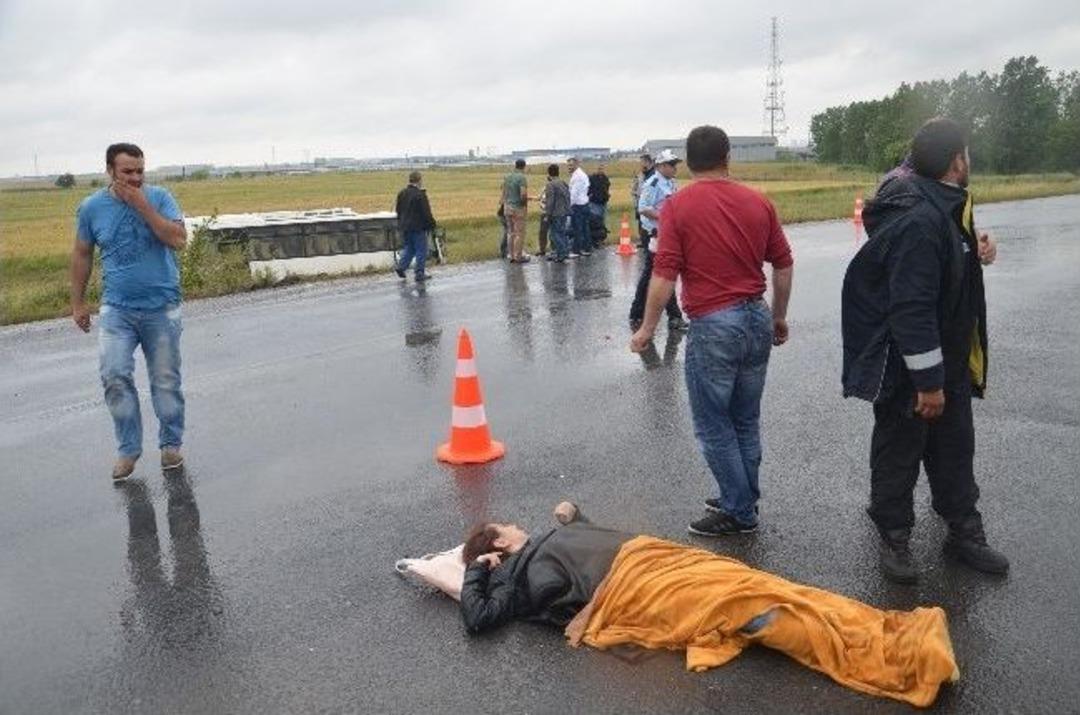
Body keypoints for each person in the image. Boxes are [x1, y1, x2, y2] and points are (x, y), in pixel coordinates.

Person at [458, 502, 958, 708]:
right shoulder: (514, 581)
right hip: (637, 590)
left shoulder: (550, 533)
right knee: (742, 607)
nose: (516, 525)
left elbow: (586, 539)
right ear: (498, 546)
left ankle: (877, 628)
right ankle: (891, 657)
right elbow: (478, 619)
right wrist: (479, 572)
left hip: (652, 557)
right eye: (506, 528)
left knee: (757, 581)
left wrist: (576, 514)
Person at [842, 117, 1007, 583]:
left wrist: (974, 247)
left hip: (946, 357)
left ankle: (964, 531)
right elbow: (911, 308)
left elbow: (944, 255)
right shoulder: (918, 219)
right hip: (912, 367)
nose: (969, 161)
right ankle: (894, 536)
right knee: (900, 451)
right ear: (958, 162)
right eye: (968, 154)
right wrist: (928, 383)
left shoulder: (940, 204)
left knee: (955, 448)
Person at [630, 127, 794, 536]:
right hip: (755, 316)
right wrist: (778, 315)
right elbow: (784, 264)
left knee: (713, 423)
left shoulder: (678, 206)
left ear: (689, 160)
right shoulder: (758, 201)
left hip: (714, 323)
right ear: (727, 157)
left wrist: (647, 328)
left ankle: (739, 511)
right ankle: (740, 494)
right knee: (744, 419)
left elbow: (665, 275)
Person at [71, 143, 188, 483]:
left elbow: (179, 240)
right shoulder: (92, 208)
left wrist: (144, 207)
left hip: (162, 307)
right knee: (114, 373)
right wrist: (78, 303)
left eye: (140, 171)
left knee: (165, 379)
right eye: (128, 172)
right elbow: (82, 254)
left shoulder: (161, 198)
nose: (135, 178)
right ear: (110, 171)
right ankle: (128, 449)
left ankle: (171, 444)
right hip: (117, 308)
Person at [628, 149, 687, 331]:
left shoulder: (670, 182)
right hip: (654, 233)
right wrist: (665, 217)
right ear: (660, 166)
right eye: (671, 165)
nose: (674, 168)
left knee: (651, 274)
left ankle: (637, 313)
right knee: (664, 273)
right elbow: (643, 208)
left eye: (675, 164)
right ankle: (674, 317)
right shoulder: (653, 183)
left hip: (666, 233)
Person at [394, 171, 437, 282]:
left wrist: (400, 223)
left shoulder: (402, 193)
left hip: (404, 227)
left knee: (409, 248)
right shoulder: (420, 195)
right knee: (421, 250)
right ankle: (419, 273)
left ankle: (401, 266)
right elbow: (426, 213)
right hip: (418, 227)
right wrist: (432, 224)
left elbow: (398, 210)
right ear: (419, 180)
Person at [501, 159, 530, 263]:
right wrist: (524, 206)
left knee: (510, 232)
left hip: (507, 207)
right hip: (517, 208)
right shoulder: (522, 178)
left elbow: (504, 193)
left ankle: (511, 255)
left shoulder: (507, 177)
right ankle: (518, 256)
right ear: (524, 166)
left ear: (515, 165)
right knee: (519, 233)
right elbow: (523, 194)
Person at [542, 164, 572, 262]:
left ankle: (561, 254)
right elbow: (568, 197)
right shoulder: (563, 183)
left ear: (549, 173)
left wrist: (547, 215)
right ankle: (565, 252)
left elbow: (550, 202)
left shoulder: (550, 185)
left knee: (555, 234)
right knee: (562, 233)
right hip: (564, 212)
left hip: (555, 213)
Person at [567, 157, 591, 257]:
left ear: (577, 164)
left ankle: (577, 250)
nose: (569, 167)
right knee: (585, 228)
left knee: (577, 229)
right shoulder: (583, 174)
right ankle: (586, 248)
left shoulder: (577, 177)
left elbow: (574, 194)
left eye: (571, 165)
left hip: (578, 205)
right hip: (585, 203)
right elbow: (588, 187)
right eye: (568, 165)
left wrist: (568, 206)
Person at [630, 153, 656, 249]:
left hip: (649, 205)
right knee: (641, 222)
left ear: (649, 163)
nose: (641, 164)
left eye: (643, 162)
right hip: (640, 202)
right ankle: (643, 240)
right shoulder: (642, 174)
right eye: (641, 162)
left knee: (648, 224)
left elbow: (653, 190)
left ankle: (647, 242)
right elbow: (636, 185)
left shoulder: (654, 175)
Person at [587, 163, 611, 248]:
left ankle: (601, 240)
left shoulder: (605, 178)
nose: (600, 170)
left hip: (603, 203)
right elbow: (588, 189)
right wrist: (590, 196)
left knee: (602, 223)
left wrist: (607, 196)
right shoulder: (591, 178)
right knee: (595, 223)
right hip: (594, 203)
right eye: (599, 168)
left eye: (602, 168)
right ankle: (595, 241)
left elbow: (607, 188)